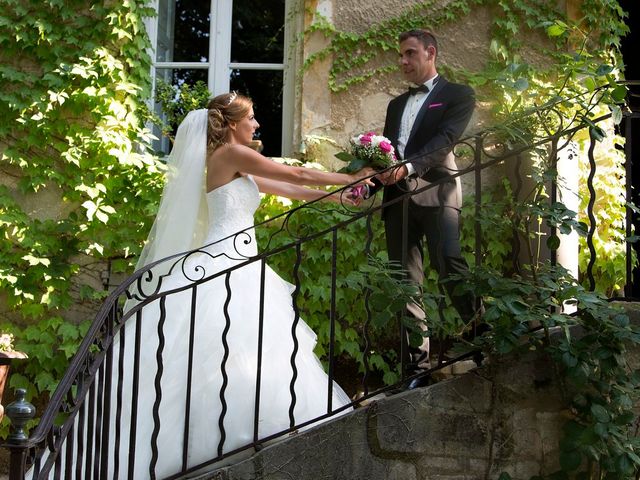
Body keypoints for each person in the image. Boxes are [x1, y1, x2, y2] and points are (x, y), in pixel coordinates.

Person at [27, 93, 372, 480]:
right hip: (225, 263)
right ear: (229, 123)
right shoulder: (229, 154)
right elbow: (296, 173)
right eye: (251, 117)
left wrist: (339, 197)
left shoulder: (234, 163)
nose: (256, 124)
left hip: (238, 260)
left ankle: (232, 438)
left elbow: (291, 190)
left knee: (238, 355)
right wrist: (351, 176)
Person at [372, 30, 479, 385]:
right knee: (406, 285)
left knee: (449, 263)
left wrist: (409, 166)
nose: (402, 61)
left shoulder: (458, 94)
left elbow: (446, 139)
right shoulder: (395, 105)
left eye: (409, 54)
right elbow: (387, 152)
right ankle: (415, 370)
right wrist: (367, 182)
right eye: (400, 55)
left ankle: (486, 341)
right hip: (397, 199)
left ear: (430, 53)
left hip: (438, 193)